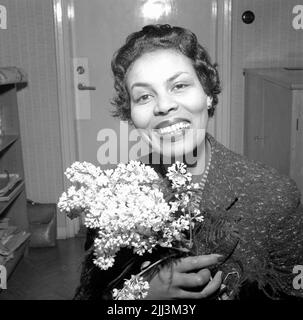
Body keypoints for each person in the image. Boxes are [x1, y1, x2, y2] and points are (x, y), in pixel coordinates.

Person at [74, 24, 303, 300]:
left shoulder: (274, 195)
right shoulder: (112, 200)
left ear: (207, 93)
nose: (163, 106)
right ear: (131, 113)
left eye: (179, 85)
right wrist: (139, 296)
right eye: (144, 96)